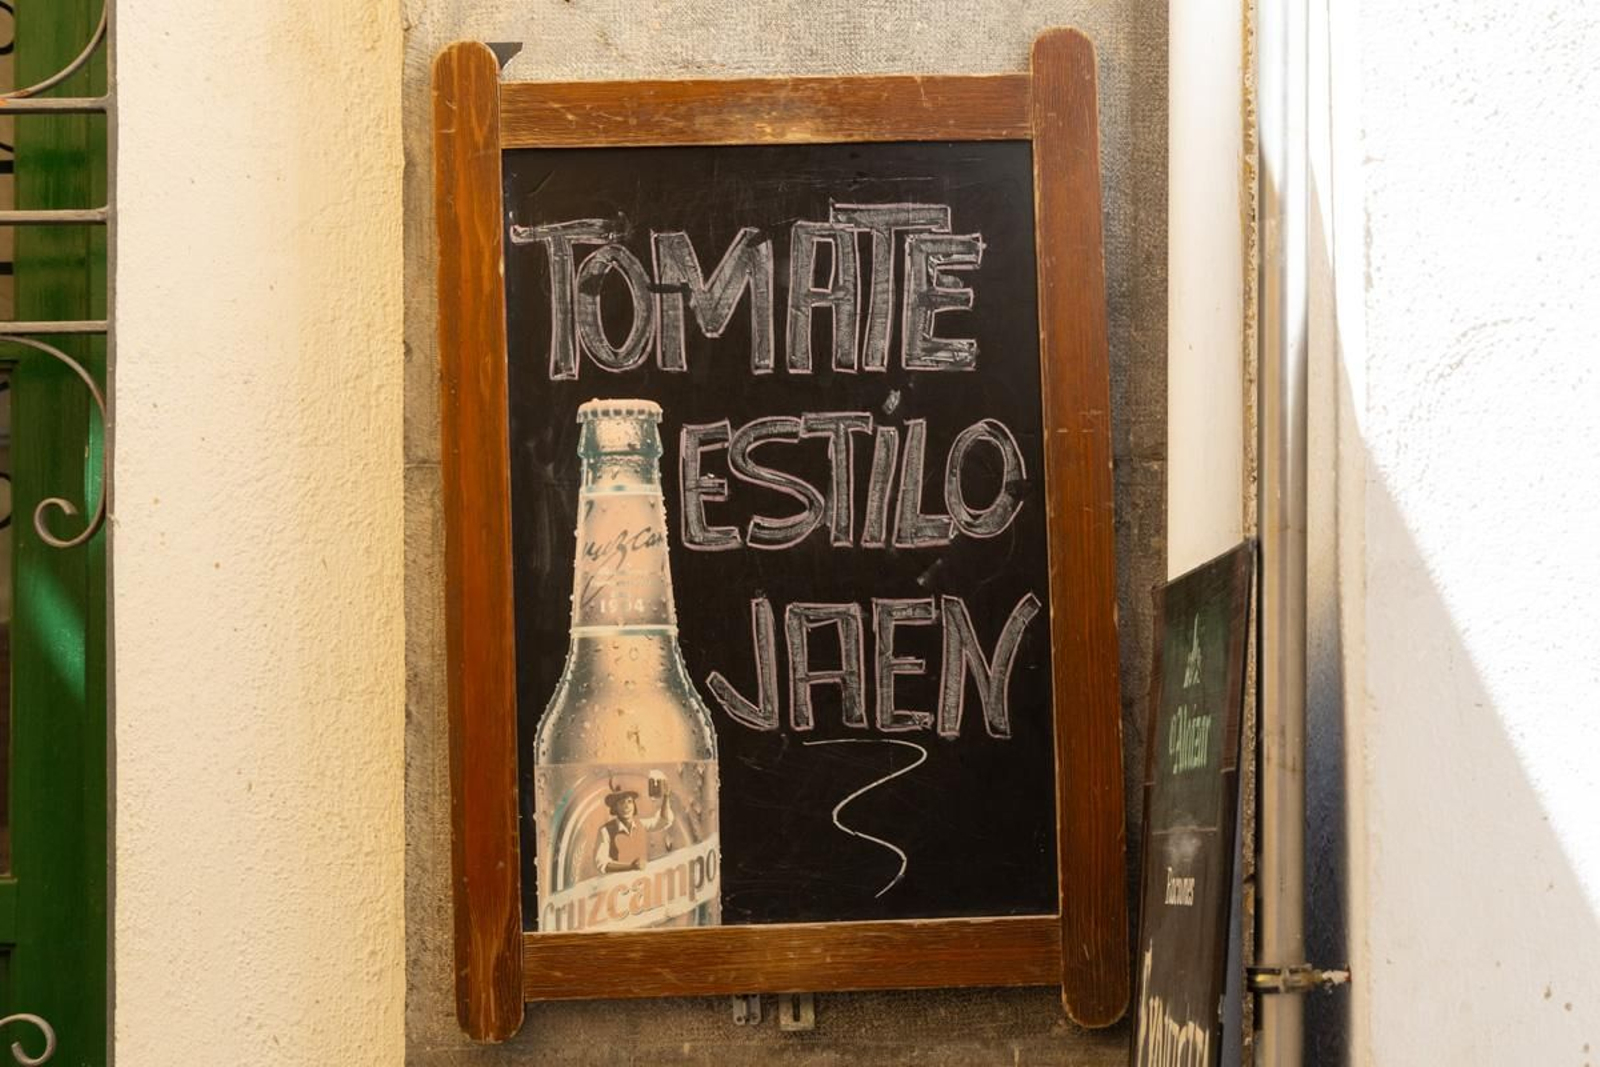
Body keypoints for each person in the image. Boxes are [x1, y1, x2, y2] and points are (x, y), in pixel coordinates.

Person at [594, 778, 674, 874]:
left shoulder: (641, 824)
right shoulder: (605, 830)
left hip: (642, 881)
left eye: (629, 801)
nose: (626, 806)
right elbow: (602, 864)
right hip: (617, 884)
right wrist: (630, 867)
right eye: (621, 803)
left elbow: (664, 821)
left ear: (634, 805)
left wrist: (666, 797)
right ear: (615, 808)